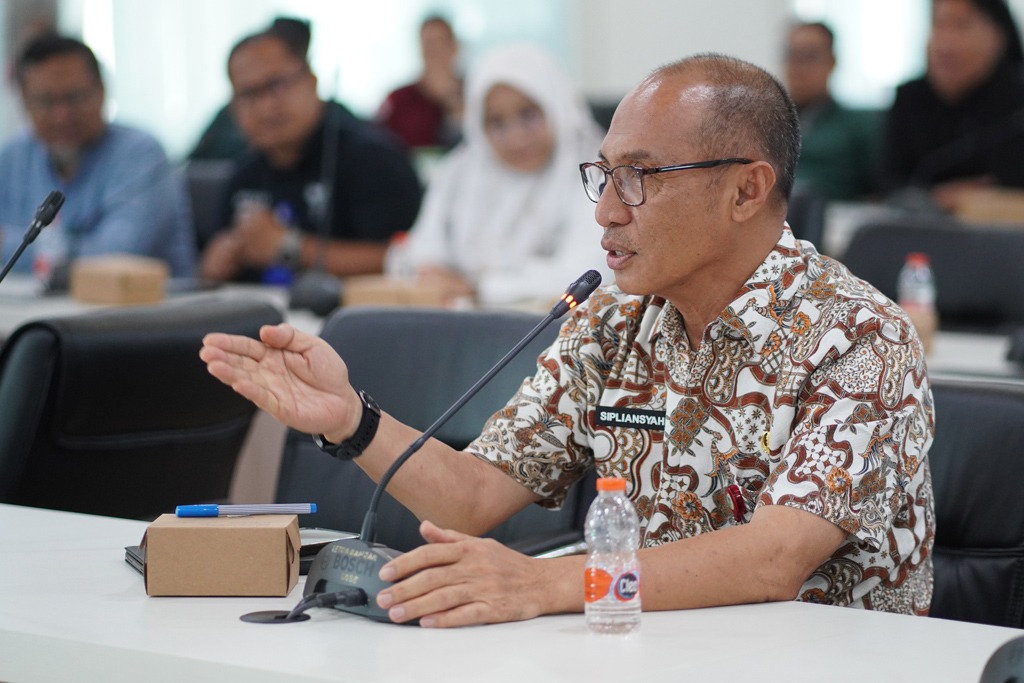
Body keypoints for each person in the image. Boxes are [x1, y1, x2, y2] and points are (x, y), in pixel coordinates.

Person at [201, 53, 935, 628]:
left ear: (746, 190)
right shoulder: (614, 322)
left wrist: (545, 582)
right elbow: (474, 495)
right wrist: (350, 420)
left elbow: (774, 558)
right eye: (603, 175)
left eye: (639, 176)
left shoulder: (861, 337)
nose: (606, 211)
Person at [386, 43, 610, 308]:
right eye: (496, 122)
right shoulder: (460, 170)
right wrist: (428, 271)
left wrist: (480, 288)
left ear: (556, 106)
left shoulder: (594, 172)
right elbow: (417, 253)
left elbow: (591, 275)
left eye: (528, 115)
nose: (516, 137)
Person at [198, 26, 422, 283]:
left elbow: (406, 259)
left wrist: (291, 248)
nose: (266, 107)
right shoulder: (242, 177)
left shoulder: (374, 160)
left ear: (311, 81)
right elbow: (209, 272)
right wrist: (215, 264)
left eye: (276, 85)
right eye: (249, 94)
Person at [0, 34, 195, 278]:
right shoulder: (13, 157)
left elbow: (117, 257)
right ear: (24, 103)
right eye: (46, 101)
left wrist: (7, 244)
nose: (61, 115)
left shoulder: (140, 154)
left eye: (74, 97)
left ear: (102, 92)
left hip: (146, 301)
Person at [884, 0, 1024, 211]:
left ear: (997, 36)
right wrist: (935, 199)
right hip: (919, 224)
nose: (945, 44)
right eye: (938, 24)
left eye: (961, 25)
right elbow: (889, 183)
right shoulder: (909, 97)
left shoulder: (1017, 107)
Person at [784, 21, 882, 201]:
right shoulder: (768, 124)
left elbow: (879, 192)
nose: (799, 67)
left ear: (832, 62)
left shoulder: (857, 126)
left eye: (810, 56)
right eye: (792, 55)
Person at [375, 15, 463, 151]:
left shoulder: (474, 93)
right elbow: (377, 141)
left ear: (454, 47)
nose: (435, 52)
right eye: (429, 44)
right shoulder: (399, 99)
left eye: (440, 43)